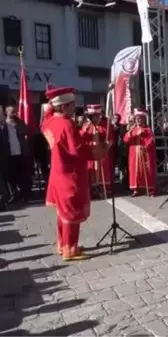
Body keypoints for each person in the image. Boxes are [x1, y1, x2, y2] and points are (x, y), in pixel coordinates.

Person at [41, 87, 107, 261]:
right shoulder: (67, 124)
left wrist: (50, 101)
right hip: (70, 173)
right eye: (71, 105)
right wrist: (100, 151)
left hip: (58, 171)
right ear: (63, 107)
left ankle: (63, 245)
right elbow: (78, 150)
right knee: (71, 211)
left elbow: (46, 116)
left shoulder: (49, 122)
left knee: (62, 212)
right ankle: (71, 249)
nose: (74, 109)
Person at [79, 104, 113, 198]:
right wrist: (85, 130)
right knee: (91, 172)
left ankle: (103, 189)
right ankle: (92, 190)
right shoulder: (86, 126)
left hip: (101, 152)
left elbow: (110, 139)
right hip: (91, 152)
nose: (94, 118)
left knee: (103, 171)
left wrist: (106, 145)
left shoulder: (105, 126)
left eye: (96, 116)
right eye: (92, 116)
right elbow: (80, 138)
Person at [123, 108, 157, 197]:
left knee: (146, 170)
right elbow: (126, 139)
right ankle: (136, 189)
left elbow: (151, 141)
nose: (138, 120)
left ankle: (149, 188)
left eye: (140, 118)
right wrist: (134, 134)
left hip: (144, 152)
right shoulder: (132, 129)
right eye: (137, 118)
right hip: (134, 152)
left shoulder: (148, 129)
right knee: (135, 171)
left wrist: (146, 146)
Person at [2, 105, 32, 204]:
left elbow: (27, 131)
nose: (14, 113)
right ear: (6, 113)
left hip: (21, 154)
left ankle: (24, 196)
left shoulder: (20, 123)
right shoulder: (3, 125)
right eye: (11, 111)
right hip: (9, 155)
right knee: (11, 177)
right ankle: (14, 195)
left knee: (22, 176)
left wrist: (18, 123)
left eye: (15, 111)